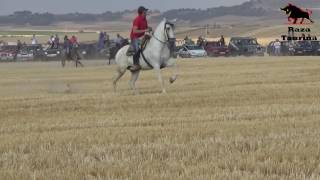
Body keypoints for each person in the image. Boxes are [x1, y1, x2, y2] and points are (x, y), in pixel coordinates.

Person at [130, 6, 152, 71]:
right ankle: (135, 64)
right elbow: (135, 31)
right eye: (145, 11)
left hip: (142, 36)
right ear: (142, 12)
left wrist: (149, 29)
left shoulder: (145, 19)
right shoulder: (137, 20)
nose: (146, 12)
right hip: (135, 37)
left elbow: (146, 28)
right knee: (137, 48)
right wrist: (145, 30)